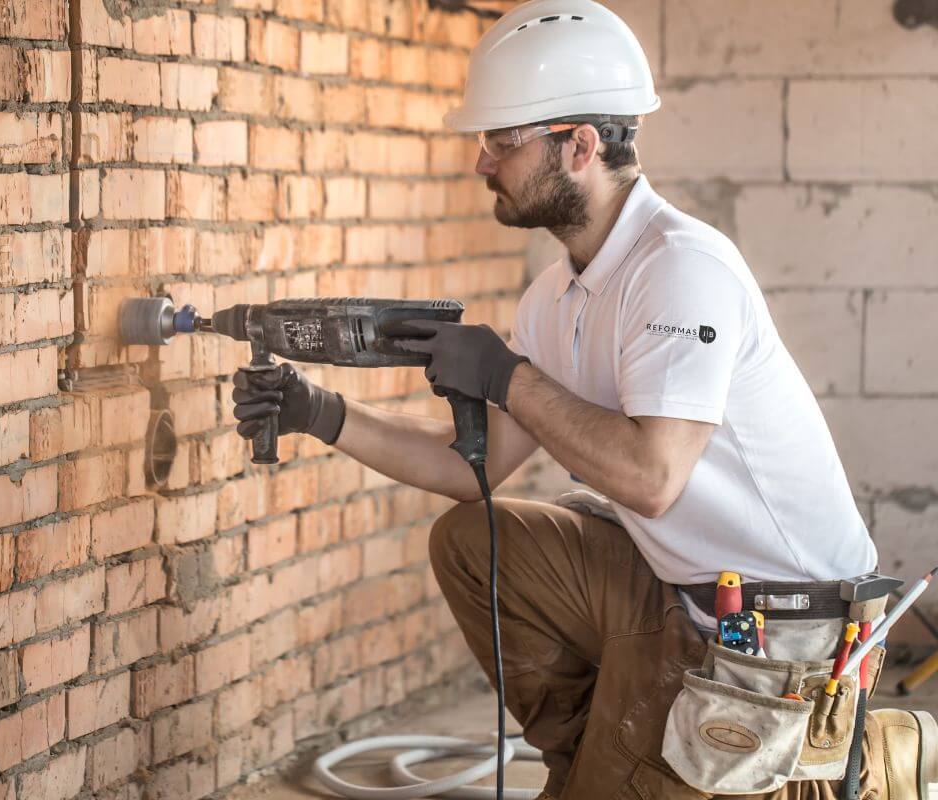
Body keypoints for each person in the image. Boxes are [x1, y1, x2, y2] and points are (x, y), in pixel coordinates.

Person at [230, 1, 932, 797]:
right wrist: (321, 411)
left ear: (580, 146)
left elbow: (652, 478)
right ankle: (589, 758)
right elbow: (470, 468)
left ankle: (861, 761)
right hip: (675, 588)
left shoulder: (680, 268)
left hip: (789, 629)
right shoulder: (554, 297)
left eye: (502, 142)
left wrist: (506, 377)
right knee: (472, 541)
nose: (483, 163)